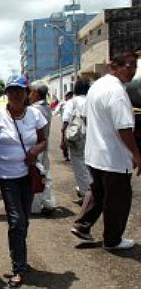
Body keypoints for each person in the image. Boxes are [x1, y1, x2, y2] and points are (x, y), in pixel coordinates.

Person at [71, 52, 140, 250]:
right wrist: (136, 154)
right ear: (114, 67)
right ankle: (113, 239)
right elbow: (124, 127)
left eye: (135, 66)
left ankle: (82, 224)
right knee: (118, 199)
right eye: (128, 66)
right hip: (113, 156)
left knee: (98, 191)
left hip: (95, 153)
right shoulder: (117, 91)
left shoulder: (97, 86)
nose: (132, 71)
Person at [0, 75, 47, 289]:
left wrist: (34, 152)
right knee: (16, 220)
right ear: (6, 94)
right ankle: (18, 268)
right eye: (11, 90)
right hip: (7, 176)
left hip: (28, 174)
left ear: (27, 93)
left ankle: (20, 257)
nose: (15, 94)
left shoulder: (35, 115)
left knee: (24, 220)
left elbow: (43, 141)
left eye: (19, 90)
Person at [60, 80, 92, 206]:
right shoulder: (91, 101)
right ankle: (92, 190)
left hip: (77, 136)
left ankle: (86, 195)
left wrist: (63, 139)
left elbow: (65, 121)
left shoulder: (71, 102)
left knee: (79, 164)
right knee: (90, 164)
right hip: (91, 134)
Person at [29, 82, 56, 215]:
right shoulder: (46, 107)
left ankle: (36, 205)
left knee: (36, 174)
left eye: (30, 91)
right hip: (44, 144)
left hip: (36, 145)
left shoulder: (35, 109)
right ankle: (47, 202)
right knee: (44, 173)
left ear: (36, 93)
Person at [54, 91, 73, 161]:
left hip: (72, 123)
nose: (69, 97)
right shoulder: (63, 103)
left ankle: (69, 154)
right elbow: (57, 108)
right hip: (66, 123)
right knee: (64, 139)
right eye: (68, 96)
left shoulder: (73, 103)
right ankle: (66, 155)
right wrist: (55, 113)